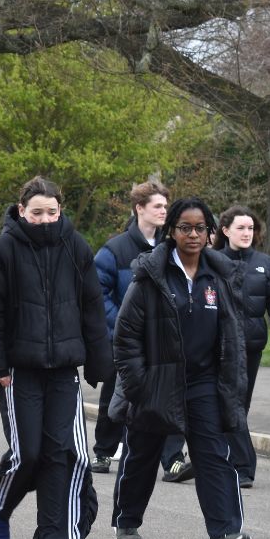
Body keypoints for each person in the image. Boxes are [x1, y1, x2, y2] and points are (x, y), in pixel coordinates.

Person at [108, 197, 253, 539]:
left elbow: (233, 334)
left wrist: (229, 382)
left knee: (213, 455)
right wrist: (139, 384)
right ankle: (127, 520)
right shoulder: (150, 277)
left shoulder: (219, 277)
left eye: (200, 228)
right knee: (143, 454)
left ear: (210, 232)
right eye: (185, 227)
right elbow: (125, 336)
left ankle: (225, 534)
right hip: (155, 380)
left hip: (202, 382)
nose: (193, 234)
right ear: (171, 231)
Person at [0, 177, 112, 539]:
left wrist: (99, 360)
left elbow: (91, 305)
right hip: (20, 369)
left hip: (64, 368)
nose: (45, 219)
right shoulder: (4, 249)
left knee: (60, 452)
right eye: (36, 212)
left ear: (60, 210)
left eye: (51, 212)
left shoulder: (76, 246)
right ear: (22, 211)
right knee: (28, 452)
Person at [92, 181, 190, 481]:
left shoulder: (172, 248)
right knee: (116, 395)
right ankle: (103, 450)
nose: (164, 211)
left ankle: (173, 460)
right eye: (158, 206)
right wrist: (124, 326)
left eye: (165, 206)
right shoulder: (115, 249)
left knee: (172, 397)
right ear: (139, 208)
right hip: (128, 341)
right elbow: (98, 294)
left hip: (165, 340)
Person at [217, 206, 270, 486]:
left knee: (239, 405)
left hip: (250, 346)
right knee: (226, 404)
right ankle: (242, 467)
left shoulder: (265, 263)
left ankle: (231, 462)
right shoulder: (211, 261)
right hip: (217, 347)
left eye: (250, 228)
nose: (247, 233)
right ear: (225, 231)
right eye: (241, 228)